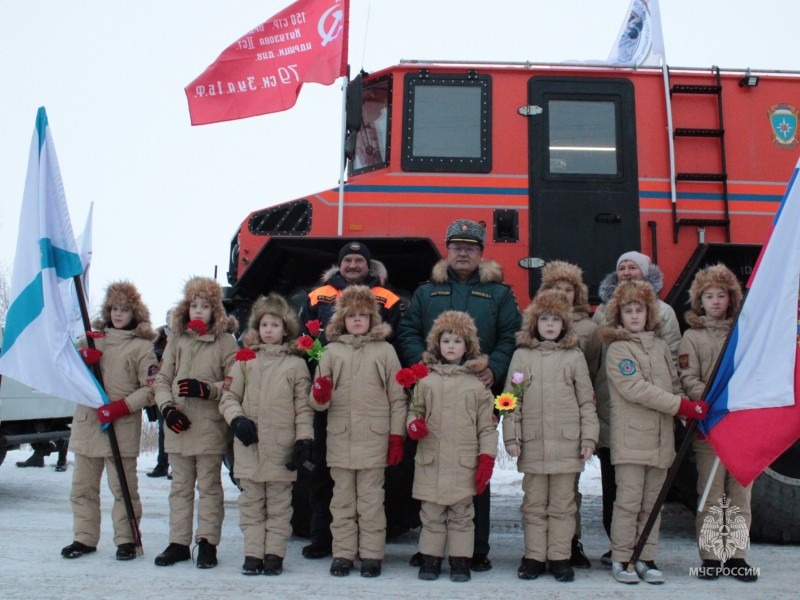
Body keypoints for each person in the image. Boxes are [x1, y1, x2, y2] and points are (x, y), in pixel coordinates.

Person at [399, 218, 521, 572]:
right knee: (430, 470)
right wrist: (418, 366)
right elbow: (408, 331)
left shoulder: (499, 293)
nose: (463, 253)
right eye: (457, 247)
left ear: (481, 253)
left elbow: (511, 336)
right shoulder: (426, 292)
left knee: (472, 469)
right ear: (447, 251)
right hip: (433, 391)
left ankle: (473, 550)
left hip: (475, 391)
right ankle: (431, 549)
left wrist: (494, 369)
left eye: (470, 248)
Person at [299, 241, 405, 559]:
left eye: (360, 260)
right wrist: (316, 365)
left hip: (370, 395)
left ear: (368, 266)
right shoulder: (318, 296)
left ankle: (370, 548)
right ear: (340, 265)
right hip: (329, 393)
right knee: (324, 475)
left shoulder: (387, 297)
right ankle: (324, 539)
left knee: (370, 490)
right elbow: (305, 338)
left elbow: (397, 340)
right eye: (349, 260)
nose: (354, 265)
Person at [598, 280, 708, 584]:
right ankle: (622, 558)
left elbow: (672, 383)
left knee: (653, 503)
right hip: (631, 438)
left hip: (661, 439)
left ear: (650, 315)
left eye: (640, 310)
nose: (634, 316)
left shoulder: (660, 347)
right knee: (629, 502)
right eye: (628, 311)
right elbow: (636, 389)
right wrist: (681, 407)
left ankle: (645, 557)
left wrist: (688, 417)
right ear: (619, 316)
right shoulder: (618, 349)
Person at [502, 290, 598, 583]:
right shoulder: (521, 356)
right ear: (534, 322)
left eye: (556, 319)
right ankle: (534, 557)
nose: (550, 325)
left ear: (565, 324)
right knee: (533, 504)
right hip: (532, 445)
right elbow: (511, 399)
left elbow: (586, 402)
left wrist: (588, 439)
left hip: (567, 445)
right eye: (545, 319)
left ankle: (559, 558)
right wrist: (511, 437)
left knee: (563, 506)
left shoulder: (574, 356)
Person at [592, 250, 681, 565]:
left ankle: (641, 552)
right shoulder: (602, 313)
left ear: (646, 273)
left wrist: (676, 401)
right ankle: (618, 548)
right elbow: (594, 360)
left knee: (645, 494)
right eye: (622, 268)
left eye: (633, 267)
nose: (627, 272)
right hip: (612, 408)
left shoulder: (664, 313)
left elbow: (671, 358)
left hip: (654, 410)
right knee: (617, 484)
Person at [60, 281, 159, 561]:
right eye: (114, 308)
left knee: (124, 490)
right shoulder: (92, 339)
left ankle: (127, 540)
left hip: (121, 427)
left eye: (124, 309)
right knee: (82, 489)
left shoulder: (141, 347)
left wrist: (121, 407)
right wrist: (81, 359)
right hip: (88, 424)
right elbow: (66, 369)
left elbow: (150, 388)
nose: (118, 314)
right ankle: (84, 537)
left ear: (134, 313)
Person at [219, 293, 313, 576]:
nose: (269, 330)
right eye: (264, 325)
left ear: (286, 329)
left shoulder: (295, 365)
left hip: (281, 448)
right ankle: (252, 554)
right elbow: (228, 397)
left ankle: (274, 554)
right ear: (256, 329)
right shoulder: (244, 361)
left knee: (280, 507)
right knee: (251, 505)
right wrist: (237, 421)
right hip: (250, 447)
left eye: (275, 325)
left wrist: (304, 440)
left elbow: (303, 407)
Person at [678, 264, 758, 582]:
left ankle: (736, 556)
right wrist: (712, 403)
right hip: (710, 426)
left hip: (740, 427)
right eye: (708, 296)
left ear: (731, 299)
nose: (714, 302)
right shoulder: (692, 337)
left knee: (739, 494)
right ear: (699, 300)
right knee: (711, 494)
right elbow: (688, 378)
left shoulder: (745, 336)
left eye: (721, 295)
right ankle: (711, 557)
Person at [153, 277, 239, 569]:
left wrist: (208, 389)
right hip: (178, 426)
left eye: (205, 306)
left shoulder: (226, 341)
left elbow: (235, 381)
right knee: (179, 488)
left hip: (210, 427)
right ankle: (178, 542)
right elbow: (163, 379)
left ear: (215, 310)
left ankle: (207, 543)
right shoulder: (177, 339)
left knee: (210, 488)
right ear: (186, 309)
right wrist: (167, 409)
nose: (198, 310)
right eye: (193, 305)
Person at [407, 311, 497, 583]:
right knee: (432, 514)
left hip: (463, 463)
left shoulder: (477, 386)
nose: (450, 346)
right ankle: (431, 560)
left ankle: (460, 561)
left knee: (461, 516)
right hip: (431, 461)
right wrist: (413, 424)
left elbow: (486, 427)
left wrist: (487, 459)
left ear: (467, 347)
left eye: (457, 341)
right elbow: (414, 410)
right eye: (446, 340)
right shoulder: (425, 381)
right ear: (437, 345)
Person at [538, 260, 600, 568]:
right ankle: (540, 548)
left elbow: (596, 371)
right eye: (556, 289)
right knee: (538, 493)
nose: (563, 294)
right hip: (542, 415)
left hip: (572, 415)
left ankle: (569, 543)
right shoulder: (536, 324)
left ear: (578, 293)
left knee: (568, 490)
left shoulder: (589, 329)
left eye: (569, 289)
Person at [146, 310, 172, 478]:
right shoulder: (157, 338)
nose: (172, 322)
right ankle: (162, 464)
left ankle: (177, 466)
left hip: (177, 387)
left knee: (176, 429)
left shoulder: (184, 337)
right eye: (169, 318)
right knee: (163, 428)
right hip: (160, 387)